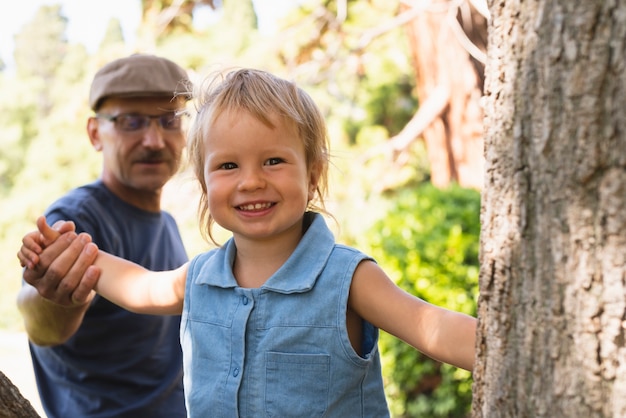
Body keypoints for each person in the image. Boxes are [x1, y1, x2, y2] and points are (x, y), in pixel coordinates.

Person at [19, 68, 477, 418]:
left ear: (312, 174)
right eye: (228, 167)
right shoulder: (199, 278)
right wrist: (68, 252)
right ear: (203, 183)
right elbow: (140, 287)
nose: (251, 182)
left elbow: (433, 327)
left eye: (274, 160)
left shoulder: (348, 279)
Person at [16, 54, 191, 418]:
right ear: (96, 133)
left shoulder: (168, 225)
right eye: (132, 122)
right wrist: (58, 295)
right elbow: (40, 322)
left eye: (169, 120)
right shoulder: (77, 219)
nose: (154, 139)